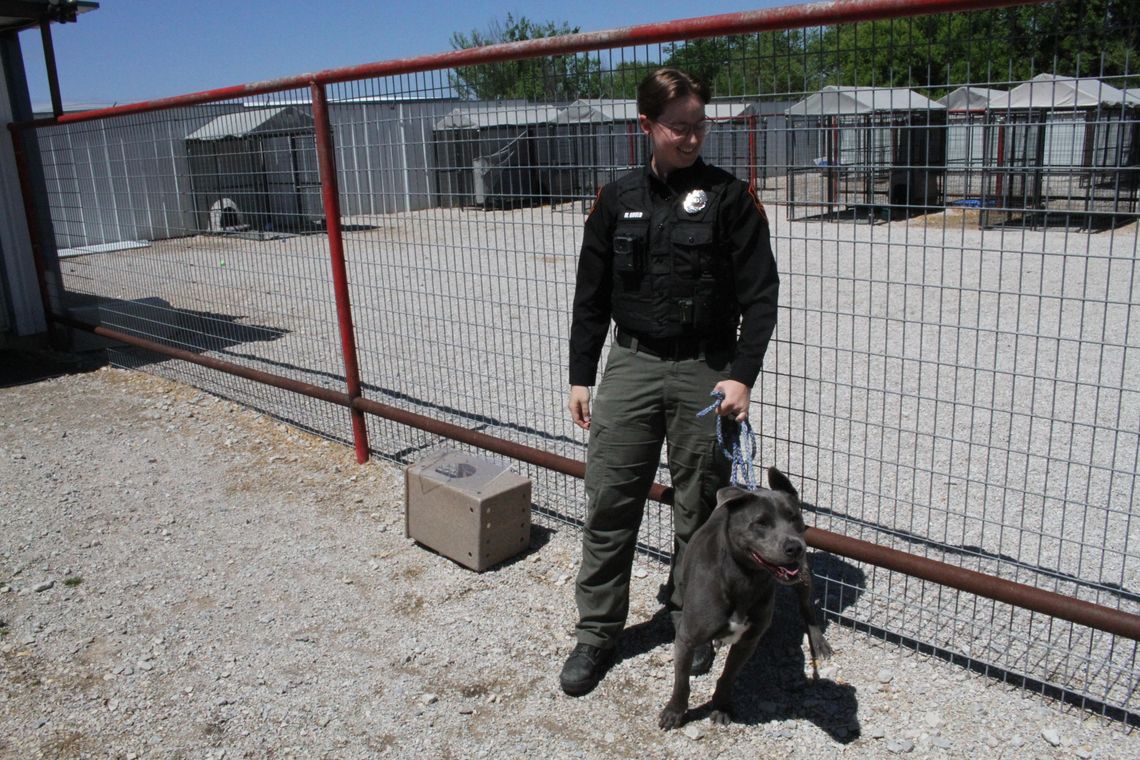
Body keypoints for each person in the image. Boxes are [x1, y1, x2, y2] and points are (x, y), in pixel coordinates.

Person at [560, 67, 780, 697]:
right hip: (631, 364)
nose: (691, 138)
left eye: (699, 126)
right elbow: (591, 296)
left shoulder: (731, 199)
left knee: (700, 511)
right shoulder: (615, 198)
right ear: (646, 125)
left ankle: (695, 621)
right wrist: (581, 375)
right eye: (679, 127)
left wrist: (741, 376)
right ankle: (597, 632)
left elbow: (760, 298)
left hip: (705, 371)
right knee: (610, 502)